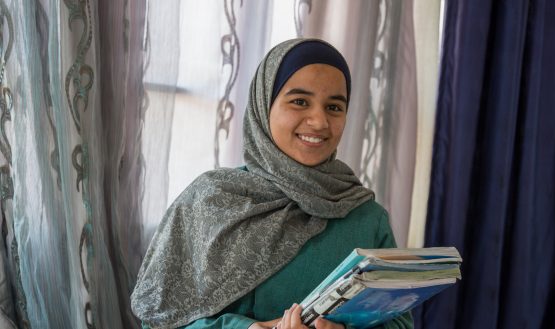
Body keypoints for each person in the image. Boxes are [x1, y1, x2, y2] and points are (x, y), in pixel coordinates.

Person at [130, 38, 413, 329]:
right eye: (300, 101)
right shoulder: (210, 200)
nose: (319, 121)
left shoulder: (364, 218)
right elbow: (157, 319)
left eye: (334, 107)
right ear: (264, 105)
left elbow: (399, 322)